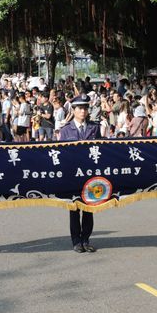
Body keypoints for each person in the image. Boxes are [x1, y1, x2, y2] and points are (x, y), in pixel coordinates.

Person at [59, 94, 101, 253]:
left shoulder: (94, 128)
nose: (83, 111)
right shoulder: (65, 130)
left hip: (90, 174)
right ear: (73, 110)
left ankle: (86, 239)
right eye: (80, 108)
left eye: (85, 108)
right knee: (74, 209)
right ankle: (76, 241)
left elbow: (100, 150)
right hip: (72, 175)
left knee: (89, 209)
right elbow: (61, 154)